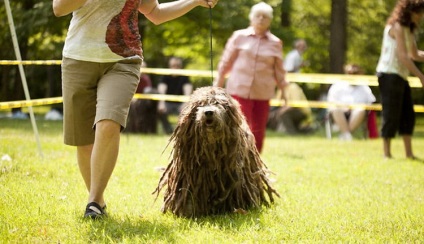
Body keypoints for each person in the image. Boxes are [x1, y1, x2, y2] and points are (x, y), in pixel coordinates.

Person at [52, 0, 218, 219]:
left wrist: (195, 1)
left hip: (124, 59)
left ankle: (93, 202)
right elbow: (59, 8)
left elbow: (155, 13)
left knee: (109, 123)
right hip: (78, 57)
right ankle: (98, 200)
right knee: (83, 140)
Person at [214, 2, 288, 153]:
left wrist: (284, 93)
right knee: (240, 127)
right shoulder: (239, 36)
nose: (261, 19)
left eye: (265, 17)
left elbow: (279, 71)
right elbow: (226, 62)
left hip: (262, 92)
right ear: (251, 18)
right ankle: (235, 163)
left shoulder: (275, 43)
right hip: (238, 90)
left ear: (270, 20)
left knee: (258, 132)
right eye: (258, 16)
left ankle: (254, 167)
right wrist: (217, 86)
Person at [376, 0, 424, 159]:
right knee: (391, 113)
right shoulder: (397, 27)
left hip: (401, 76)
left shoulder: (409, 30)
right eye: (419, 13)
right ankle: (386, 153)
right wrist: (420, 76)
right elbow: (403, 56)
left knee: (407, 114)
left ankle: (409, 153)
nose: (421, 16)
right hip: (389, 74)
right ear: (410, 11)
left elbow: (415, 54)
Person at [327, 64, 376, 141]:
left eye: (355, 73)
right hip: (340, 112)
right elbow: (331, 101)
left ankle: (346, 135)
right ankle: (347, 135)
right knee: (335, 110)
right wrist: (343, 107)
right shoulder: (337, 85)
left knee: (360, 110)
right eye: (350, 72)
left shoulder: (364, 87)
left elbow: (370, 103)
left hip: (357, 112)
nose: (352, 75)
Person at [158, 56, 193, 134]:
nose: (175, 68)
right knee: (160, 110)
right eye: (173, 65)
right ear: (169, 66)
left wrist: (185, 104)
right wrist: (161, 103)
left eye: (177, 66)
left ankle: (181, 132)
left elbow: (188, 92)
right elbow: (161, 90)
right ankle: (168, 131)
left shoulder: (185, 77)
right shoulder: (165, 76)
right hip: (167, 104)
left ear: (181, 67)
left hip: (180, 104)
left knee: (188, 112)